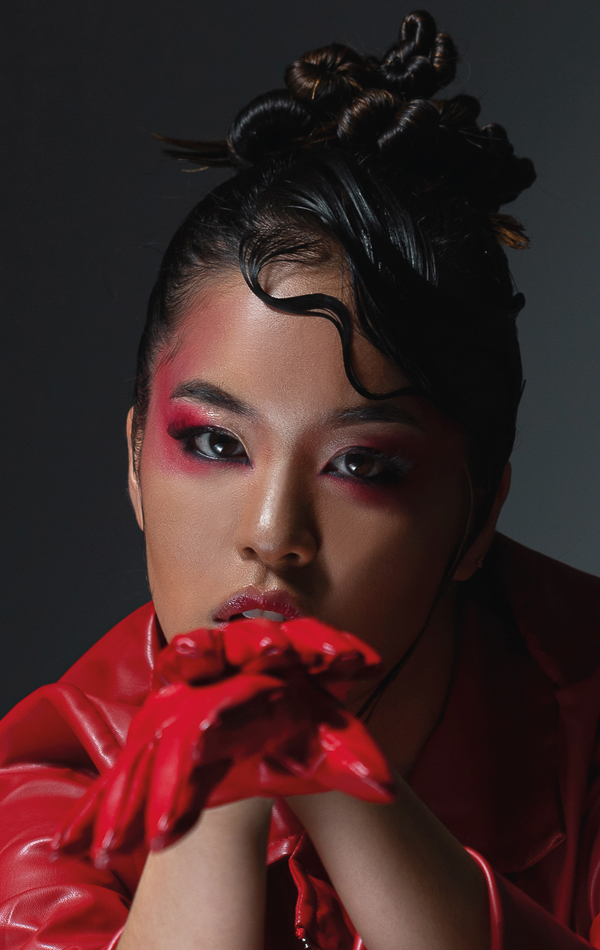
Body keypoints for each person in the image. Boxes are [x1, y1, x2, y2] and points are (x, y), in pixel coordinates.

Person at [1, 9, 600, 949]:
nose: (274, 533)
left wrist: (334, 780)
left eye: (362, 465)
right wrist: (212, 796)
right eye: (214, 444)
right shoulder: (48, 796)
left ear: (478, 517)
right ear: (135, 462)